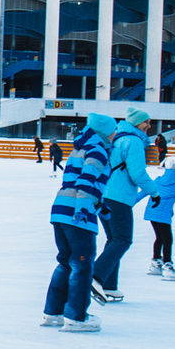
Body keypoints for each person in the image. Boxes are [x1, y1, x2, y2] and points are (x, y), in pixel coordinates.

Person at [41, 111, 117, 331]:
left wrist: (99, 205)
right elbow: (86, 181)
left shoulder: (80, 148)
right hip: (76, 213)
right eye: (113, 132)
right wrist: (85, 207)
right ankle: (76, 316)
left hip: (61, 209)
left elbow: (74, 182)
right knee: (82, 265)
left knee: (65, 262)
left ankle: (53, 313)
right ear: (104, 132)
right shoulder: (98, 150)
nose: (114, 136)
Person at [91, 108, 160, 304]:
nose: (148, 126)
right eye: (145, 122)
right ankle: (96, 276)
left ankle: (108, 286)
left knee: (114, 239)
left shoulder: (117, 138)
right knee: (122, 239)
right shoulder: (134, 141)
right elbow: (138, 173)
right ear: (136, 123)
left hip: (104, 194)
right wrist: (154, 192)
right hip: (118, 197)